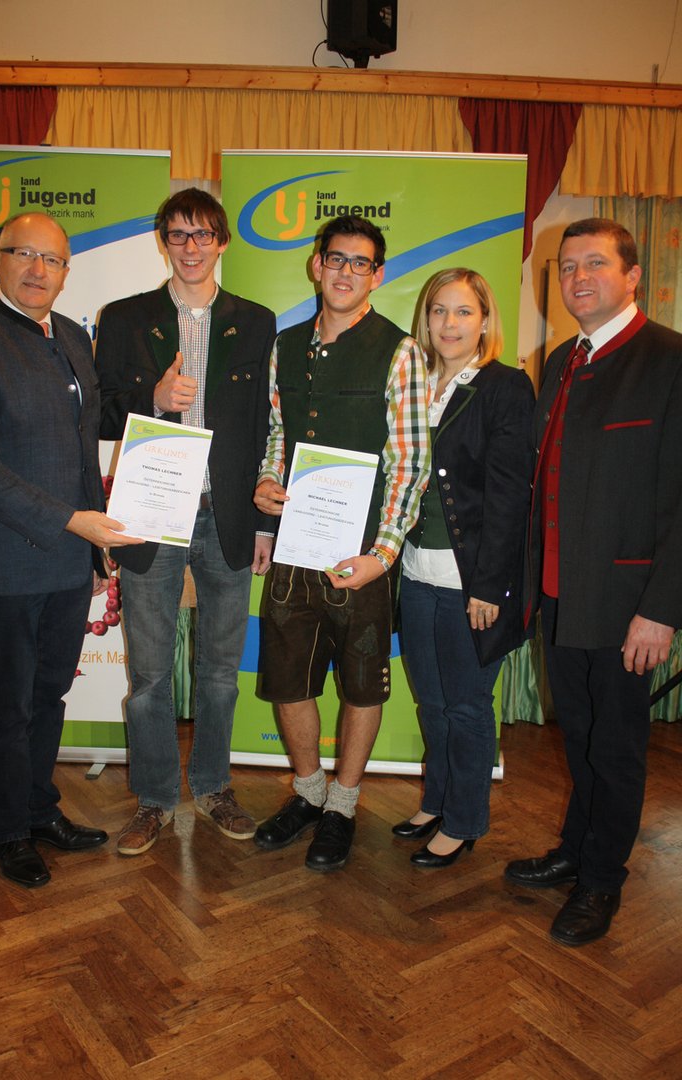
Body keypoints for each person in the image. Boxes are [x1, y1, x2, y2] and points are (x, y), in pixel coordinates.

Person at [505, 218, 682, 946]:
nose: (578, 278)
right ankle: (577, 849)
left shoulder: (670, 358)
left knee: (616, 748)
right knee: (579, 738)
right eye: (569, 266)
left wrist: (661, 609)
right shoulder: (561, 359)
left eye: (596, 264)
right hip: (560, 594)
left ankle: (603, 879)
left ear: (633, 275)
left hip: (628, 604)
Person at [0, 212, 143, 888]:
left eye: (54, 260)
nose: (39, 270)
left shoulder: (69, 336)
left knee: (50, 693)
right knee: (9, 704)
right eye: (25, 254)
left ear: (67, 272)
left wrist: (94, 545)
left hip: (70, 558)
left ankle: (40, 808)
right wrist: (74, 521)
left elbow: (81, 447)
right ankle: (9, 830)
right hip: (6, 560)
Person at [95, 188, 276, 855]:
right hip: (151, 510)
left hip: (226, 516)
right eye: (178, 234)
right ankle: (153, 799)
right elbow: (100, 413)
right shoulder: (125, 318)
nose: (191, 247)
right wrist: (153, 397)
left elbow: (267, 426)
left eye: (203, 234)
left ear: (222, 241)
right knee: (148, 677)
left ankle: (213, 786)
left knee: (221, 671)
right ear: (163, 242)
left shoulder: (255, 322)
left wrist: (265, 526)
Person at [253, 215, 430, 872]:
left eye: (361, 263)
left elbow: (410, 463)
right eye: (336, 259)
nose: (346, 272)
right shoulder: (284, 345)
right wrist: (267, 480)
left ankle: (344, 806)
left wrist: (382, 555)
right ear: (316, 264)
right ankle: (308, 793)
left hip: (365, 554)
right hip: (296, 544)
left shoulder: (400, 351)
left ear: (377, 275)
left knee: (361, 687)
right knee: (288, 679)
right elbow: (278, 432)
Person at [394, 268, 535, 868]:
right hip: (414, 573)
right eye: (439, 311)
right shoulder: (412, 384)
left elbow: (510, 494)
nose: (449, 324)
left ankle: (465, 820)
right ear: (425, 319)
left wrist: (490, 587)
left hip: (469, 583)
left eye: (463, 312)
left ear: (484, 320)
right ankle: (438, 800)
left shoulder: (505, 387)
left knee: (467, 706)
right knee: (431, 702)